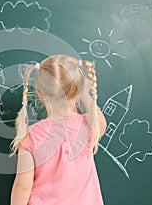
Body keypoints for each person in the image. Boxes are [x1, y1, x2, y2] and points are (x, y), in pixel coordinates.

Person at [9, 55, 107, 205]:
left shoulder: (32, 136)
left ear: (40, 94)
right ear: (77, 91)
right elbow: (100, 122)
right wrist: (85, 95)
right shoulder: (88, 126)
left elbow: (23, 187)